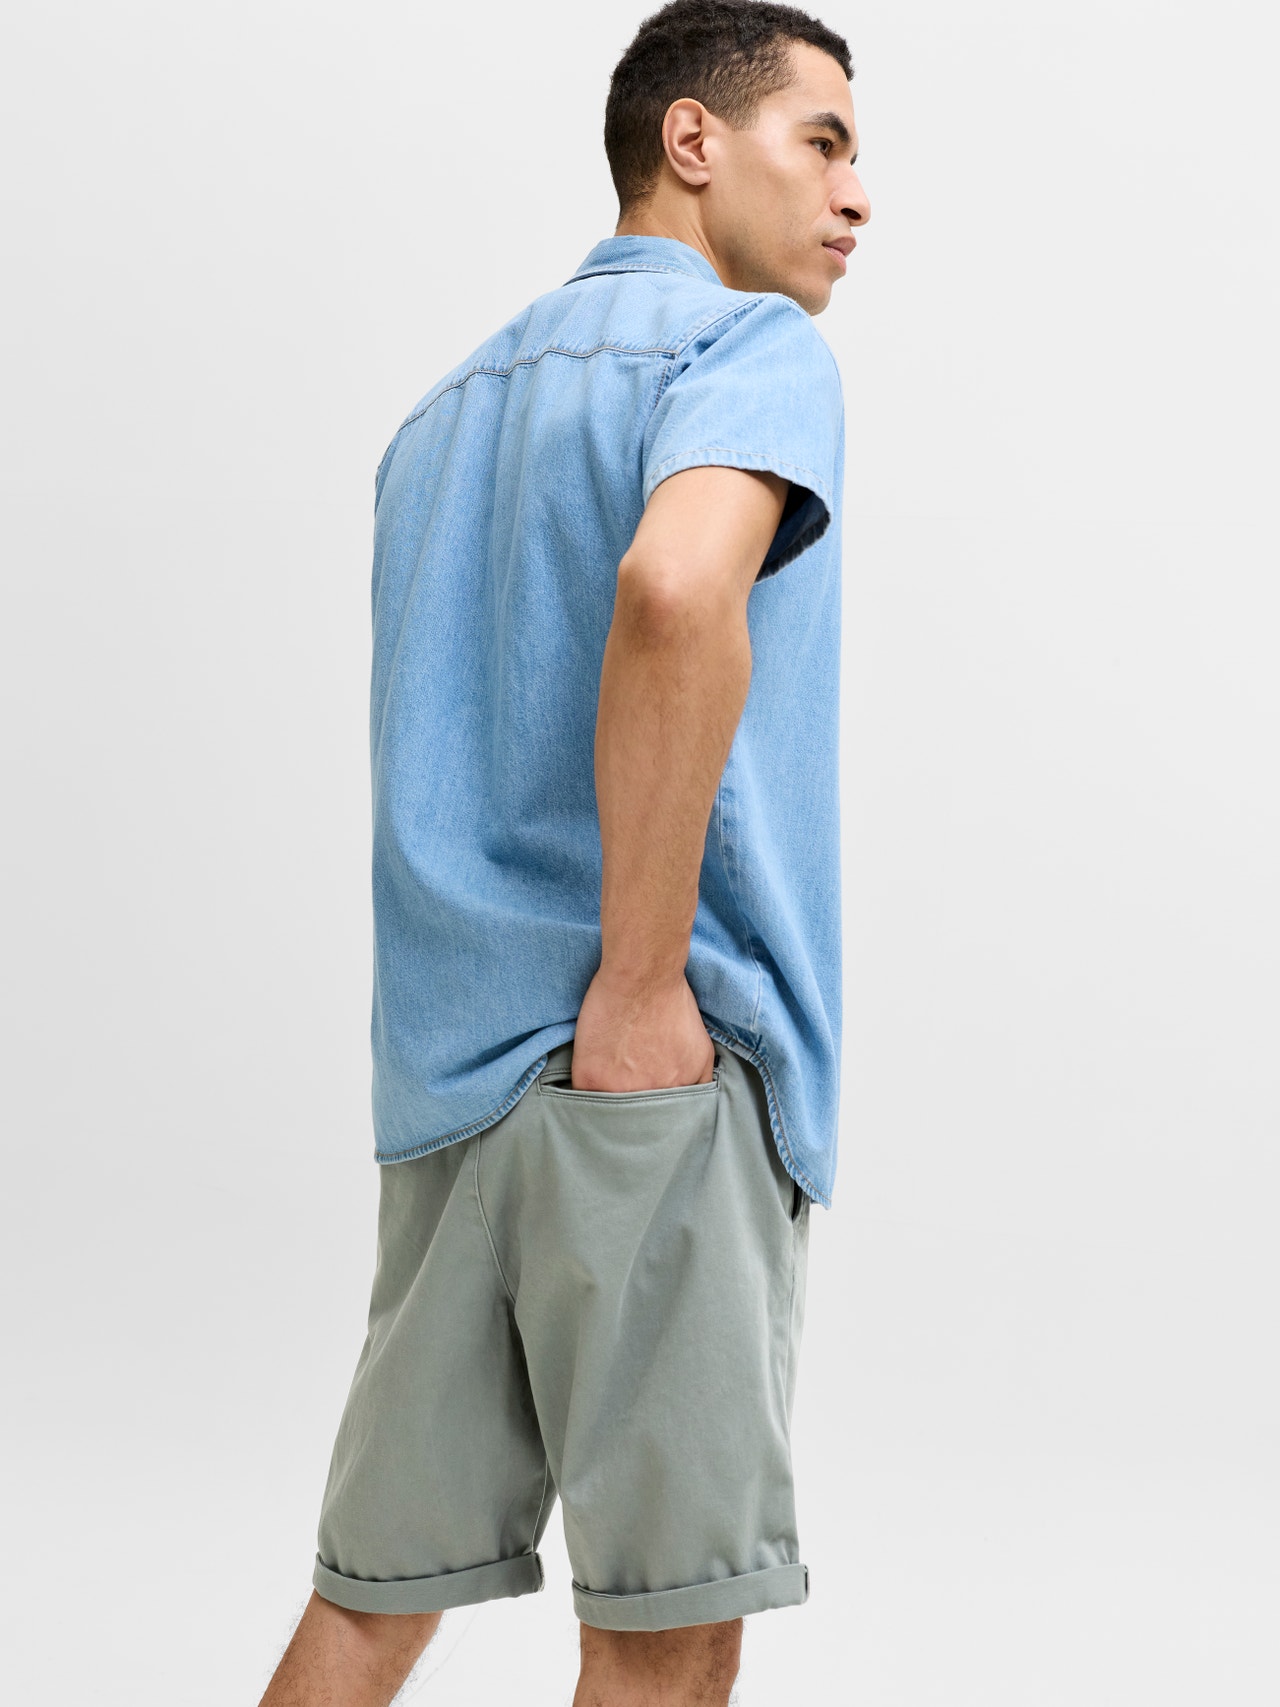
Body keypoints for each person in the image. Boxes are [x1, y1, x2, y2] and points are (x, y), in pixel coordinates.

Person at [258, 2, 870, 1702]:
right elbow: (674, 588)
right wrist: (645, 980)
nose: (856, 194)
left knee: (370, 1604)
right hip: (644, 1085)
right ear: (692, 140)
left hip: (447, 1092)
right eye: (823, 141)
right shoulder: (748, 353)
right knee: (664, 1640)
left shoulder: (439, 419)